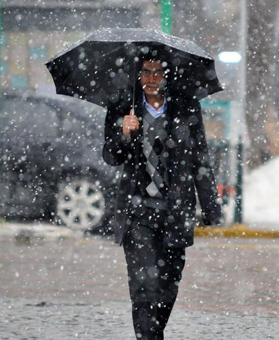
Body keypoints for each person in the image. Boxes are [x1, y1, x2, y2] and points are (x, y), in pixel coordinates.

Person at [103, 55, 222, 339]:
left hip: (175, 212)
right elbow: (110, 156)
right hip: (137, 212)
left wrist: (210, 208)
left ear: (168, 76)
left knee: (168, 287)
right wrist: (123, 133)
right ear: (138, 75)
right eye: (146, 72)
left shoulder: (186, 107)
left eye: (158, 72)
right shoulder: (123, 107)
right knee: (145, 286)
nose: (152, 79)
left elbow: (200, 158)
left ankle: (153, 332)